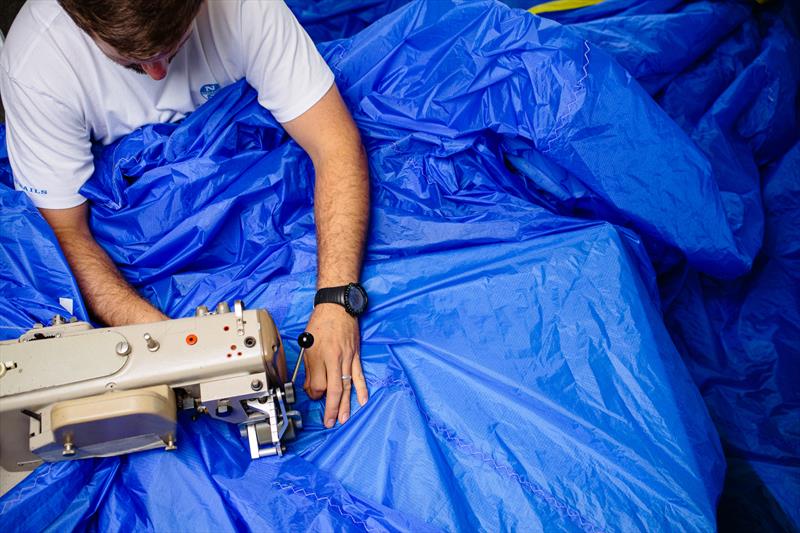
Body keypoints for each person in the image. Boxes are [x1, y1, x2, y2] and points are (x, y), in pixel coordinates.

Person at [0, 0, 369, 428]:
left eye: (173, 48)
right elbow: (66, 234)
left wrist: (336, 301)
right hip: (137, 235)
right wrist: (176, 350)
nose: (159, 73)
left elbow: (334, 144)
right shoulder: (38, 61)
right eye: (131, 61)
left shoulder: (245, 8)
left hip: (259, 186)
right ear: (80, 20)